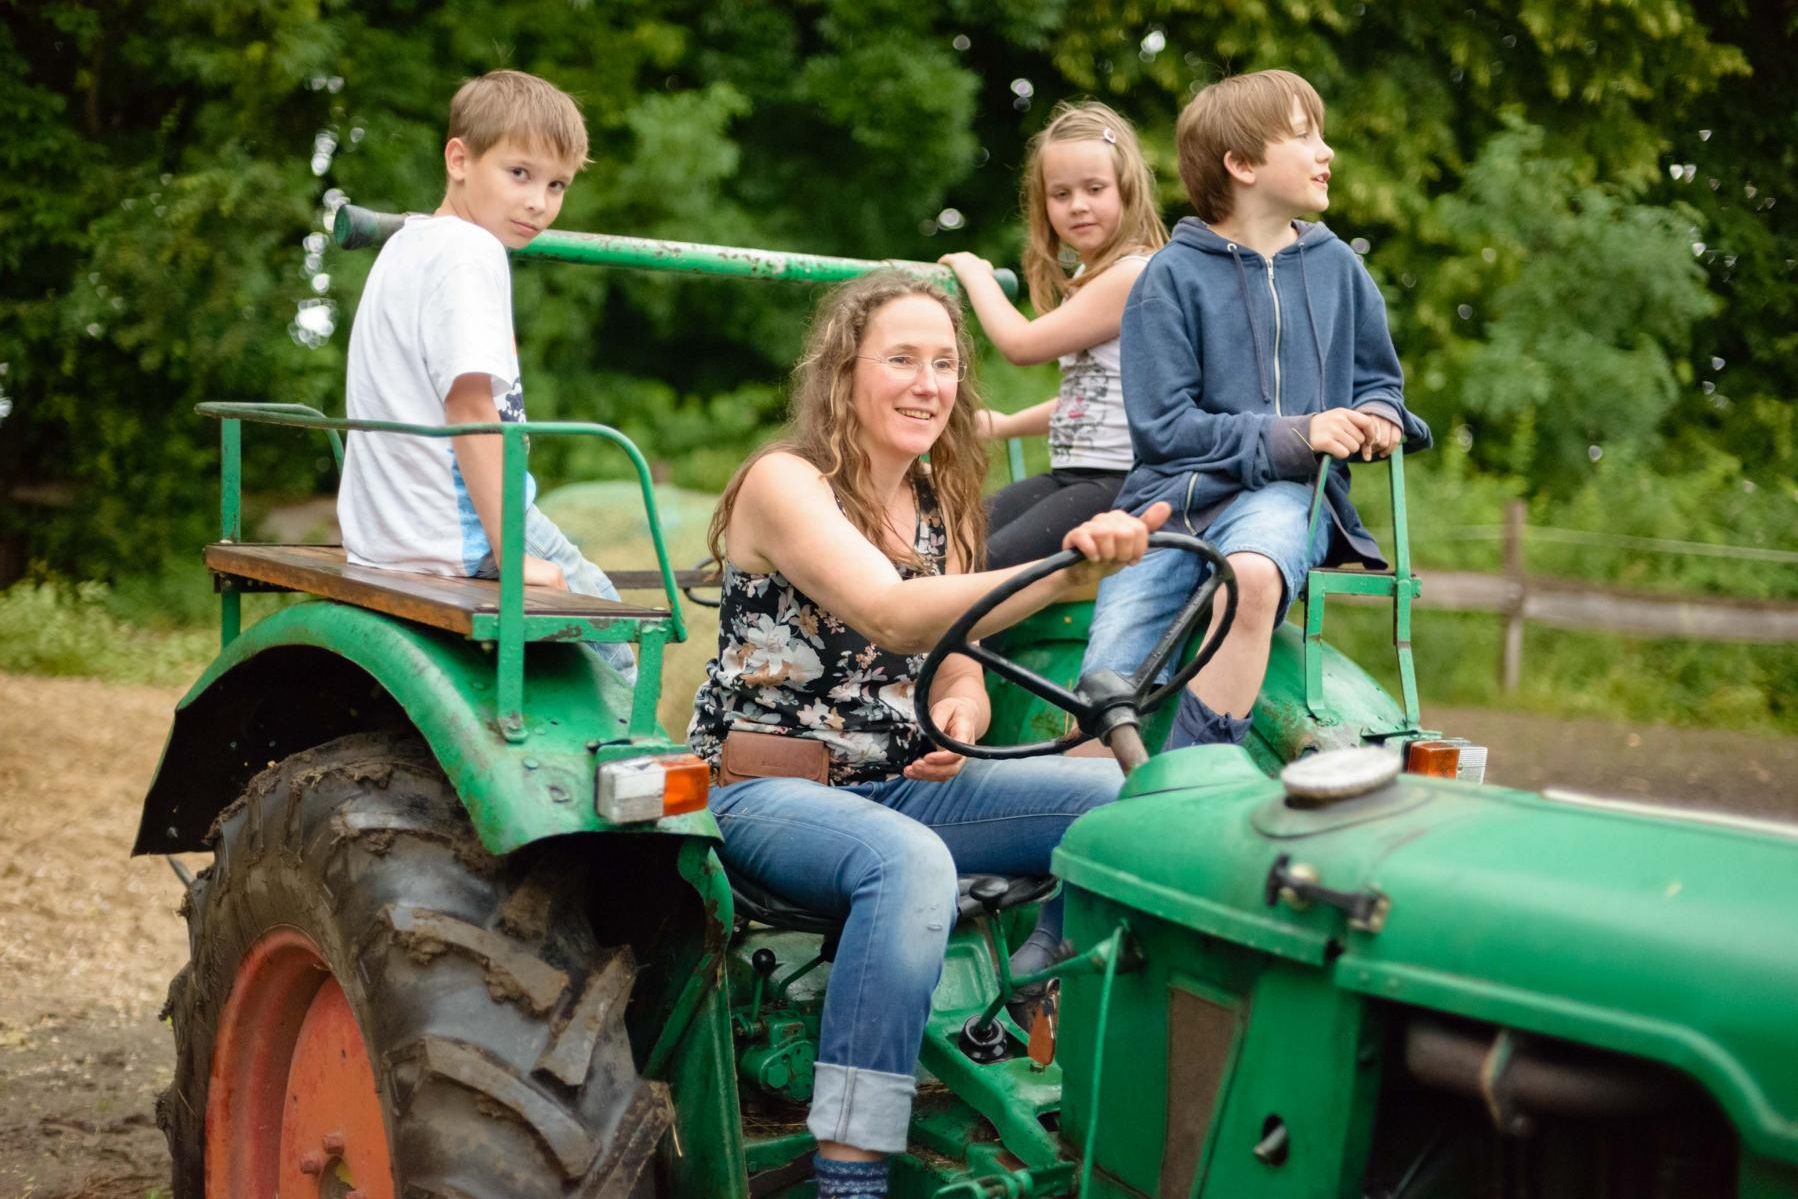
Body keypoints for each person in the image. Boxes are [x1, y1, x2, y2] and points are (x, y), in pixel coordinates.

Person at [688, 272, 1168, 1199]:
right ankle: (853, 1172)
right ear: (844, 372)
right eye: (902, 359)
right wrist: (1065, 570)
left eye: (944, 364)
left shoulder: (942, 505)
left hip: (900, 786)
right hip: (762, 790)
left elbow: (956, 659)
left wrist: (961, 714)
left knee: (1126, 802)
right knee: (909, 864)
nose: (927, 383)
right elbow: (895, 614)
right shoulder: (785, 483)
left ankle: (1047, 1001)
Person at [1082, 69, 1430, 750]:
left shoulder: (1340, 271)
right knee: (1104, 686)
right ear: (1240, 165)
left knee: (1249, 576)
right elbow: (1163, 428)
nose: (1326, 151)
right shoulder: (1170, 278)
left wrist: (1383, 418)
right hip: (1167, 505)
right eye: (1305, 136)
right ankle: (1089, 821)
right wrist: (1297, 432)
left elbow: (1380, 383)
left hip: (1284, 496)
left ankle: (1198, 776)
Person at [336, 69, 635, 681]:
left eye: (557, 185)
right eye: (519, 173)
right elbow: (472, 411)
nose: (539, 202)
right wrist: (511, 552)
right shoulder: (469, 252)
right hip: (461, 538)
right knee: (614, 635)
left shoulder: (407, 243)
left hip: (389, 532)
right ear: (459, 159)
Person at [938, 101, 1167, 569]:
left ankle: (974, 642)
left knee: (987, 567)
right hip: (1075, 475)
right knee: (951, 537)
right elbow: (1092, 398)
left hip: (1119, 482)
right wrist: (1006, 425)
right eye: (1060, 194)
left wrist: (975, 274)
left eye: (1095, 189)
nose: (1077, 205)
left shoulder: (1132, 276)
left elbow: (1022, 346)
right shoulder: (1092, 275)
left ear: (1128, 191)